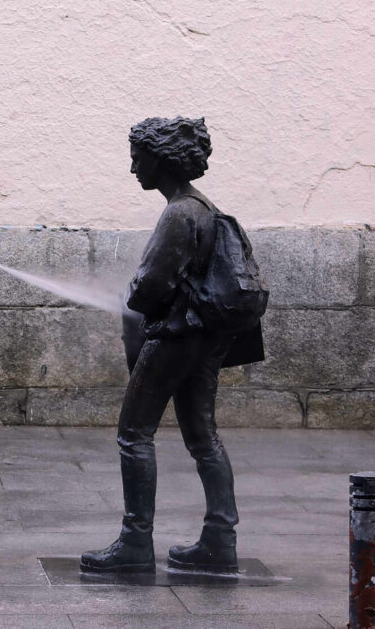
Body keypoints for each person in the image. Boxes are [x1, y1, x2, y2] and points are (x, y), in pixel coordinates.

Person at [81, 116, 260, 574]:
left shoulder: (180, 212)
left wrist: (132, 297)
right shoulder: (204, 208)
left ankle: (135, 543)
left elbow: (152, 286)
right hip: (205, 338)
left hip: (175, 336)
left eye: (137, 158)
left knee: (133, 433)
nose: (133, 168)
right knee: (203, 437)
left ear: (159, 159)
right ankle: (220, 540)